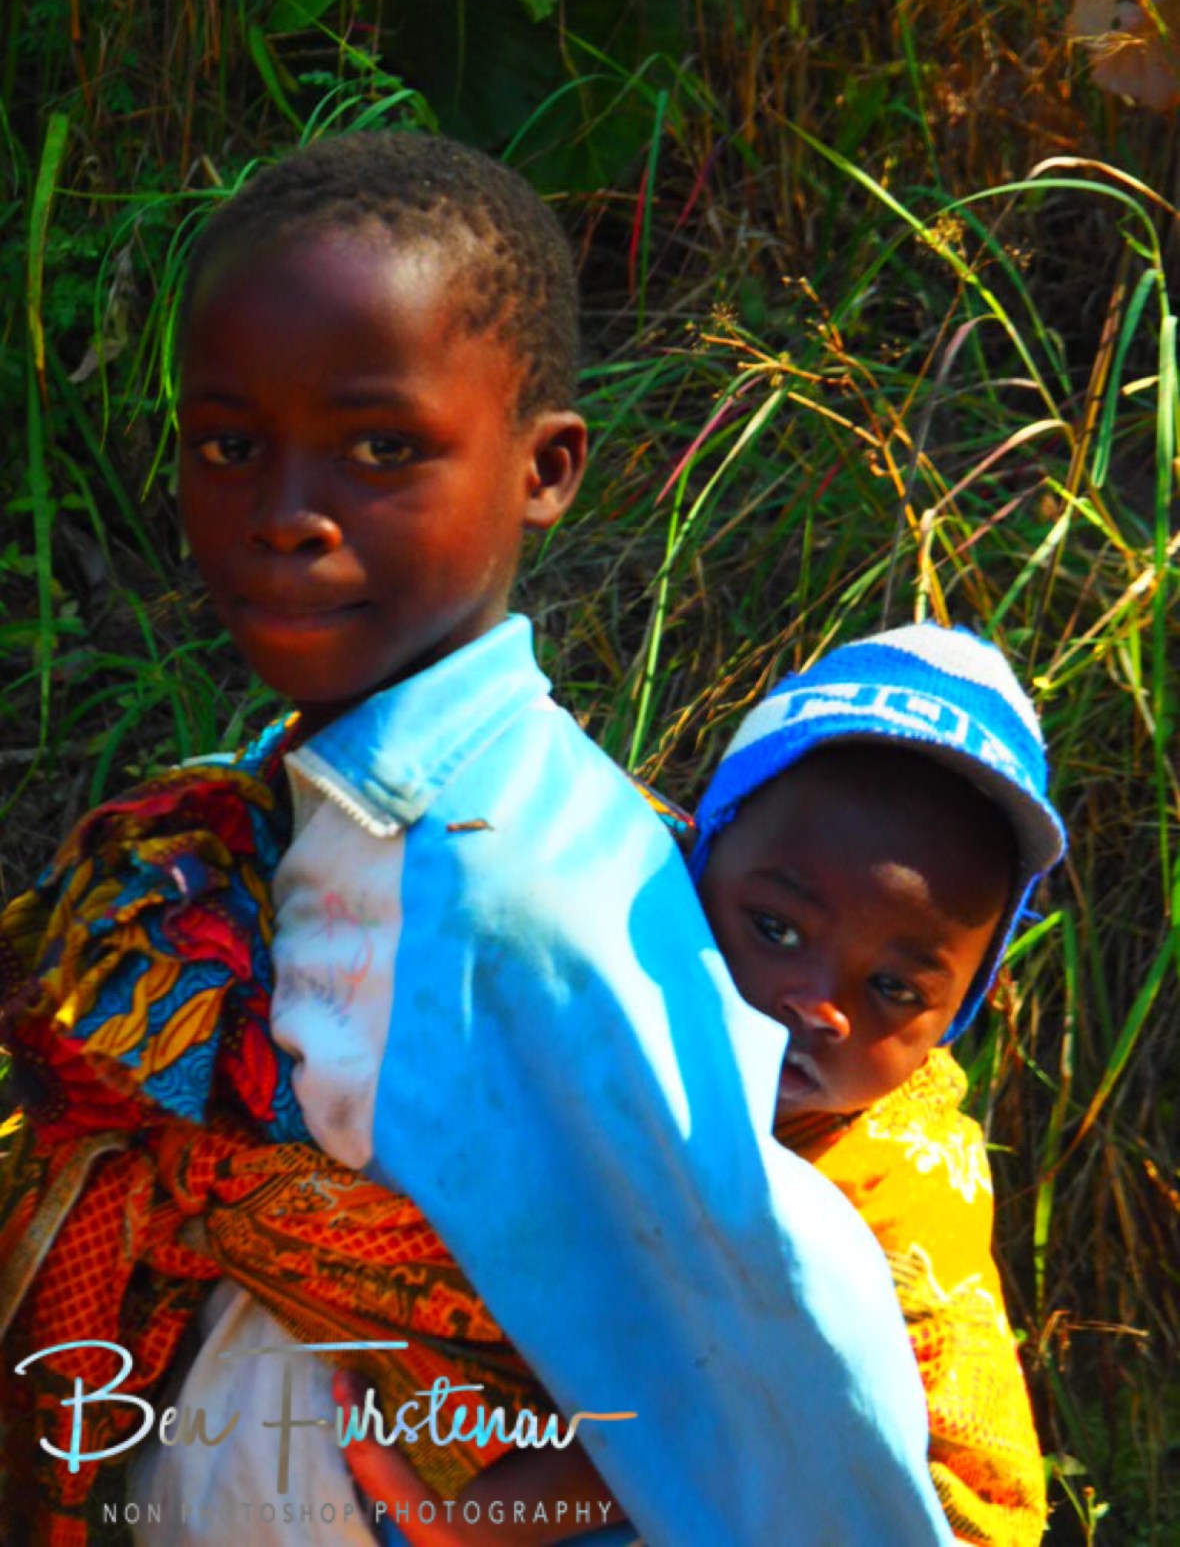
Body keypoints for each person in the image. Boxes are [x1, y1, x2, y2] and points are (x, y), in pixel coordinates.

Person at [0, 132, 952, 1547]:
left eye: (383, 447)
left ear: (544, 469)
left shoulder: (509, 880)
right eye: (229, 445)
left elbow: (777, 1316)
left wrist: (490, 1520)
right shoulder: (301, 797)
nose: (285, 517)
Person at [349, 623, 1062, 1547]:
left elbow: (740, 1395)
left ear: (963, 1010)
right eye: (774, 927)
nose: (817, 1003)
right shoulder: (613, 955)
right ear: (698, 857)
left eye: (893, 988)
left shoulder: (903, 1178)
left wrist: (472, 1527)